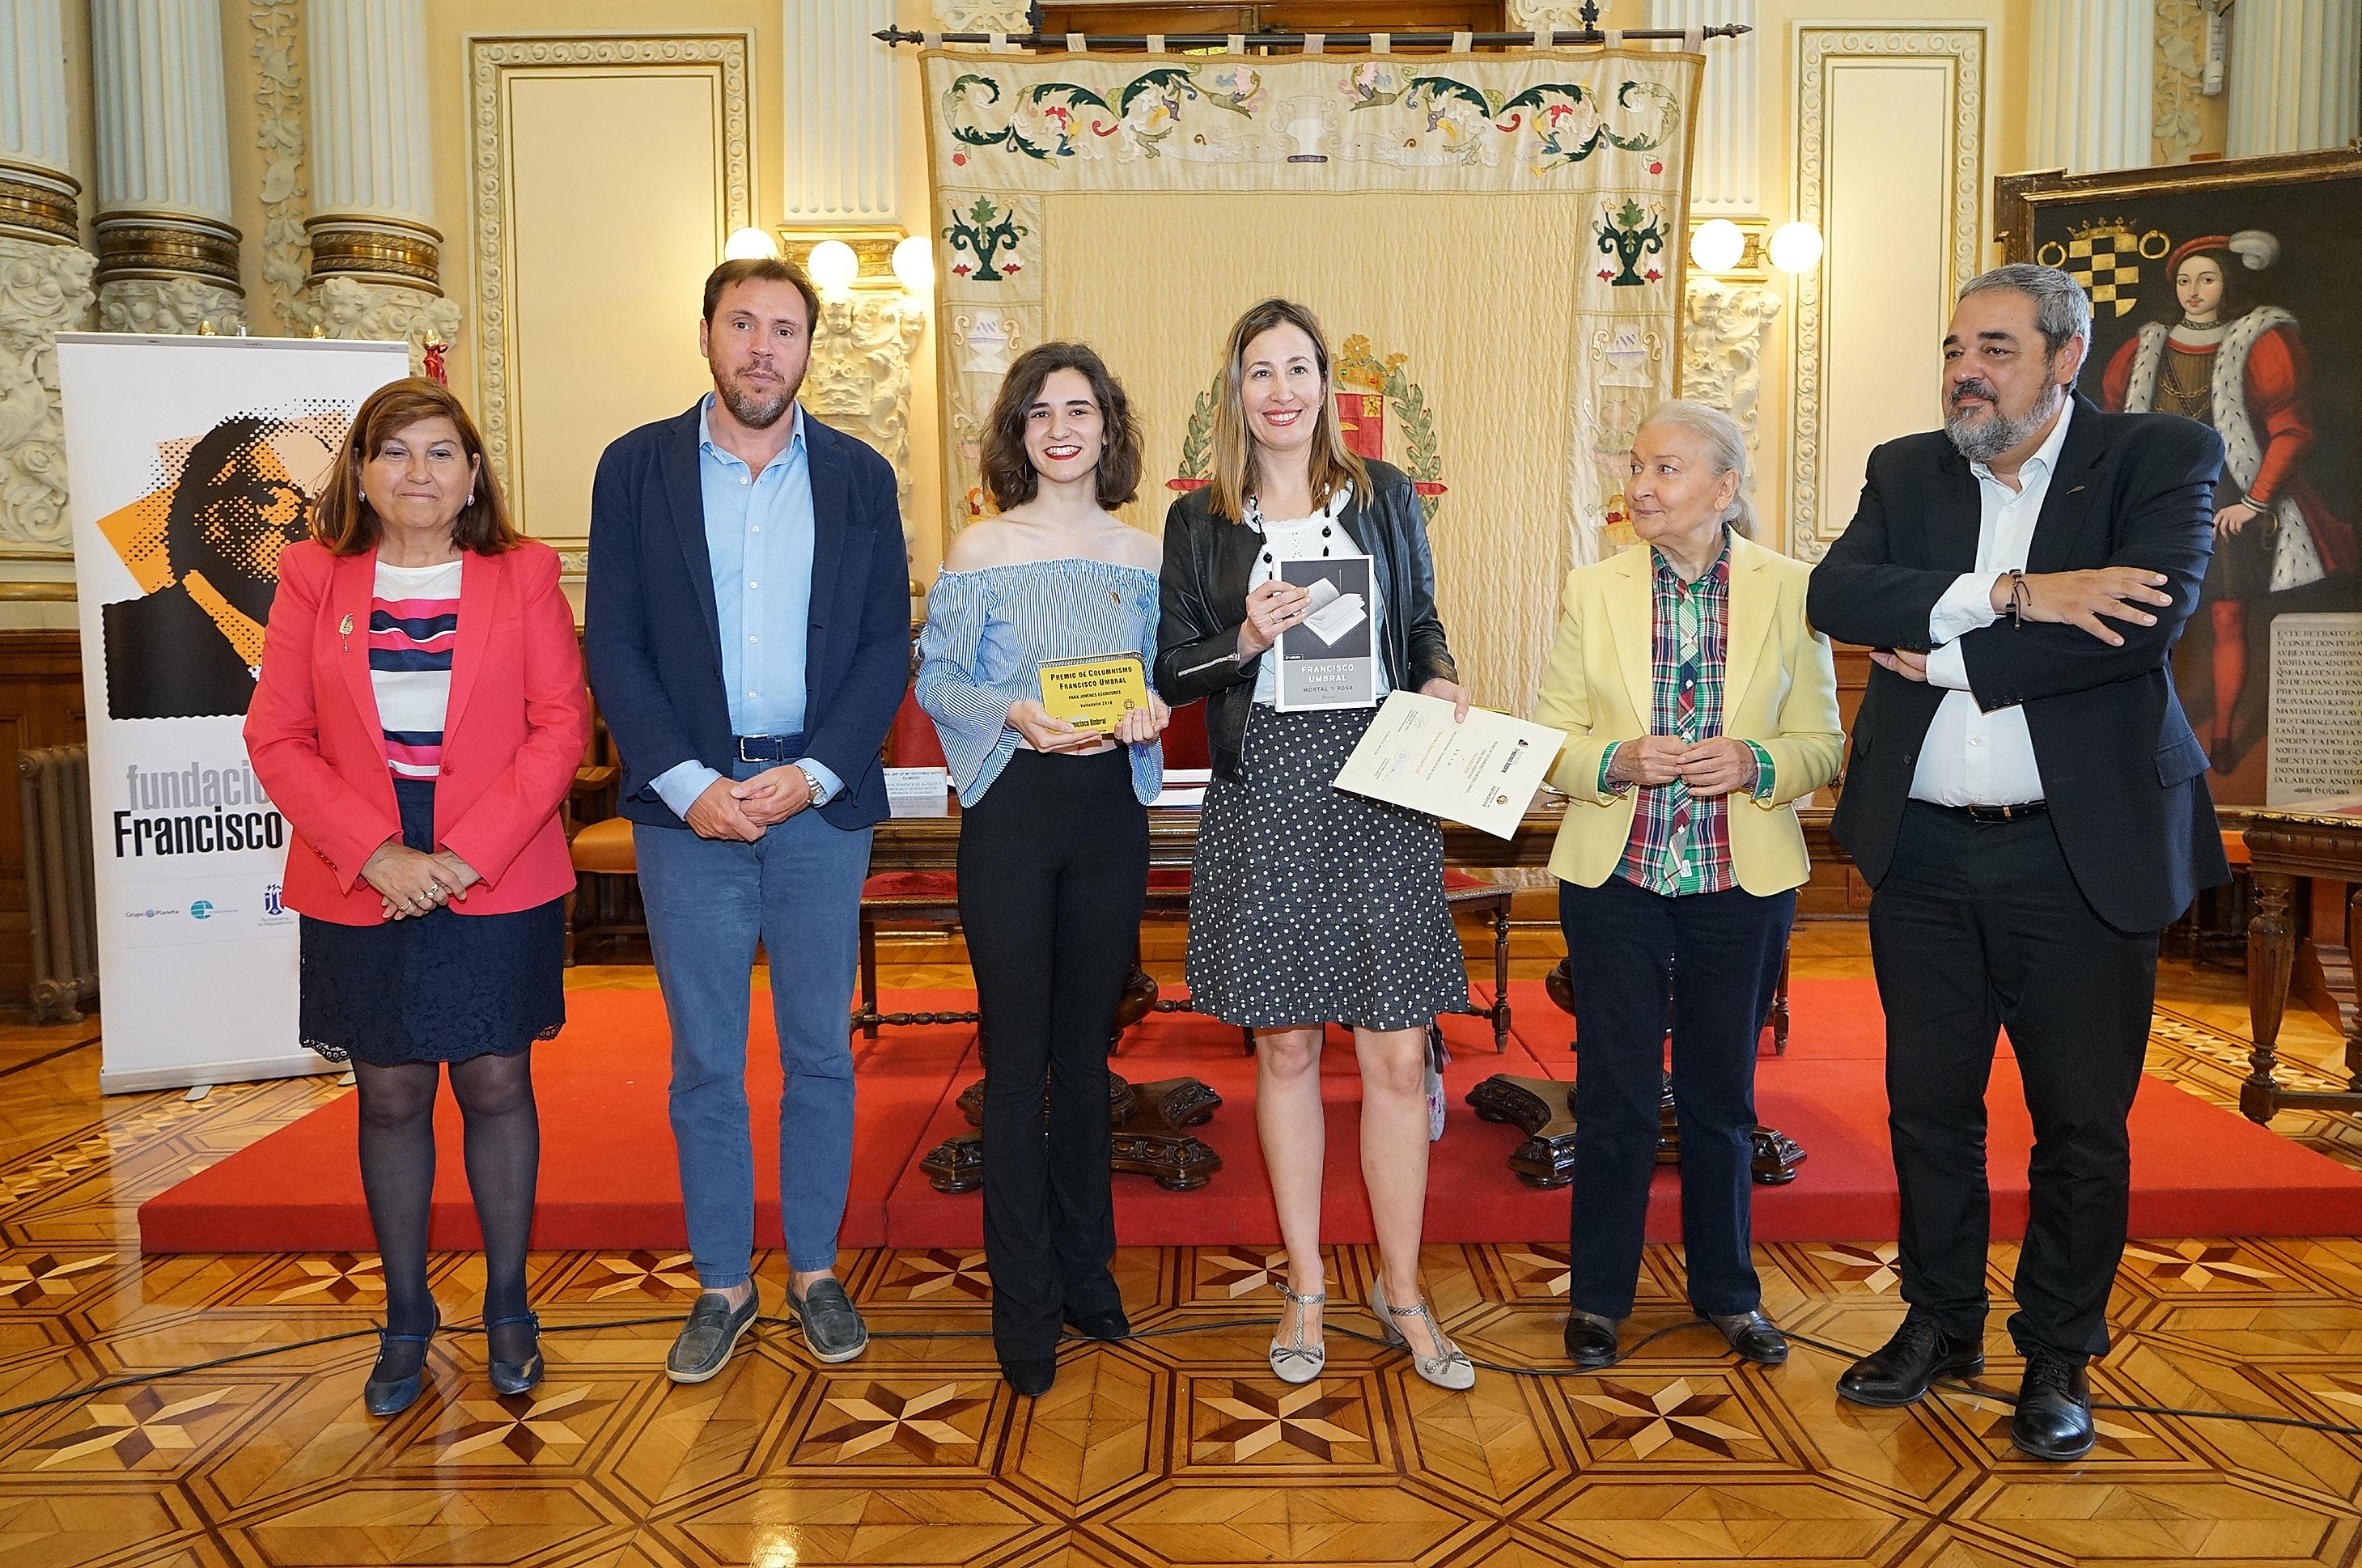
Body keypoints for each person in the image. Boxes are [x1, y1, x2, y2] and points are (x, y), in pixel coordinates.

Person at [1809, 263, 2228, 1460]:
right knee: (1926, 1110)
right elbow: (1839, 594)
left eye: (1993, 348)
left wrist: (1946, 653)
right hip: (1925, 852)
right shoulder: (1907, 468)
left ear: (2064, 356)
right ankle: (1939, 1324)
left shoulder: (2156, 456)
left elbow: (2135, 628)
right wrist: (2017, 592)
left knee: (2078, 1125)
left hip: (2076, 853)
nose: (1965, 371)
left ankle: (2057, 1352)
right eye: (1954, 348)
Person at [584, 256, 910, 1381]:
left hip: (818, 806)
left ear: (809, 348)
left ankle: (815, 1271)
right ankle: (722, 1282)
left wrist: (817, 771)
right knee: (705, 1062)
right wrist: (687, 783)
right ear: (707, 335)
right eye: (742, 324)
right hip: (692, 813)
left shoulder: (860, 476)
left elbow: (884, 643)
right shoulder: (635, 467)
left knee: (820, 1052)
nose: (763, 347)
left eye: (784, 328)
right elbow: (614, 641)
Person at [245, 377, 589, 1417]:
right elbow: (277, 736)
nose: (418, 473)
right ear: (360, 473)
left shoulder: (525, 572)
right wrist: (377, 854)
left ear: (473, 474)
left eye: (441, 452)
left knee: (496, 1083)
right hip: (362, 863)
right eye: (394, 453)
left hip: (497, 859)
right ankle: (405, 1314)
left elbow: (560, 727)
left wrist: (467, 856)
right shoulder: (312, 575)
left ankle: (509, 1305)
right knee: (389, 1094)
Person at [1156, 297, 1475, 1392]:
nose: (1280, 391)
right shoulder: (1199, 519)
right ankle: (1304, 1286)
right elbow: (1171, 671)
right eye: (1260, 371)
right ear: (1235, 391)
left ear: (1325, 386)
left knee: (1396, 1053)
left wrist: (1438, 676)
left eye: (1298, 369)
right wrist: (1244, 635)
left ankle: (1402, 1289)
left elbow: (1421, 622)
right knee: (1285, 1048)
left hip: (1380, 779)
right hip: (1269, 785)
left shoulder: (1381, 494)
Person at [1532, 400, 1842, 1372]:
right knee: (1615, 1095)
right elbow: (1553, 740)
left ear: (1725, 486)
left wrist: (1756, 762)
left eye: (1666, 468)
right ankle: (1599, 1300)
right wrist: (1614, 759)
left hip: (1739, 880)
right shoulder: (1595, 588)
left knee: (1721, 1097)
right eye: (1636, 466)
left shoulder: (1793, 591)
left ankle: (1729, 1294)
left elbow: (1824, 742)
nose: (1641, 486)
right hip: (1616, 878)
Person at [915, 342, 1169, 1397]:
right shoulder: (981, 547)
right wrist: (1011, 710)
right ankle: (1021, 1301)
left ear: (1108, 427)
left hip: (1109, 817)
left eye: (1079, 410)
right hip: (1013, 815)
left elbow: (1160, 678)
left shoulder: (1146, 553)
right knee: (1018, 1065)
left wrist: (1152, 709)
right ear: (1017, 433)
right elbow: (935, 678)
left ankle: (1084, 1272)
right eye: (1039, 413)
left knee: (1086, 1055)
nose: (1060, 429)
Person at [2100, 230, 2355, 774]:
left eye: (2207, 278)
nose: (2193, 291)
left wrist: (2255, 503)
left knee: (2226, 618)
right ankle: (2154, 730)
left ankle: (2219, 737)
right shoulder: (2143, 350)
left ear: (2226, 282)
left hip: (2229, 499)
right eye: (2184, 280)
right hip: (2154, 503)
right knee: (2148, 617)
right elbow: (2112, 427)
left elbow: (2292, 432)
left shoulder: (2258, 341)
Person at [108, 414, 329, 719]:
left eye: (317, 500)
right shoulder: (133, 635)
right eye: (272, 497)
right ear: (204, 511)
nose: (300, 519)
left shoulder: (347, 624)